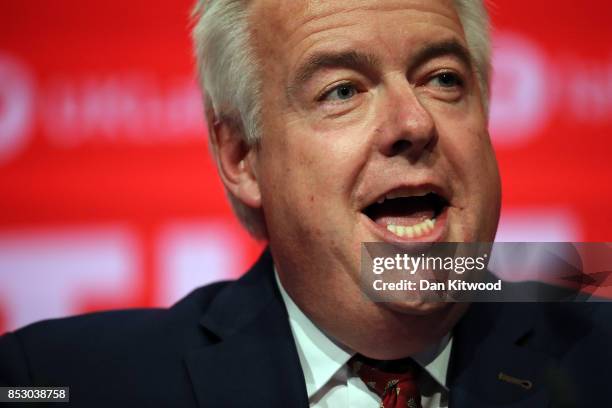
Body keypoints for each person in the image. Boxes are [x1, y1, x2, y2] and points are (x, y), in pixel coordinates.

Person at [1, 1, 610, 407]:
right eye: (342, 90)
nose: (413, 121)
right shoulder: (57, 383)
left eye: (443, 78)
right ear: (242, 156)